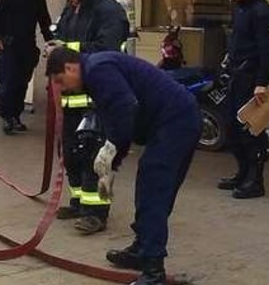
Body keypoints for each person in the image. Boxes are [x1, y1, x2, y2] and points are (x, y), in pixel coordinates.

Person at [45, 47, 199, 285]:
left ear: (70, 67)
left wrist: (112, 150)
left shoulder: (97, 70)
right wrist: (111, 166)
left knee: (153, 192)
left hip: (175, 123)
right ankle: (142, 249)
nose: (62, 87)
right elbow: (116, 116)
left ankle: (153, 270)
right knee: (152, 189)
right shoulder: (96, 72)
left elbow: (125, 108)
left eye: (60, 80)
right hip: (176, 120)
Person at [49, 0, 128, 234]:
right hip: (72, 96)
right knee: (70, 153)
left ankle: (98, 213)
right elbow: (59, 34)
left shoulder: (109, 11)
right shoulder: (72, 8)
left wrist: (66, 49)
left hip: (98, 96)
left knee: (95, 157)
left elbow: (107, 49)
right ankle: (80, 202)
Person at [217, 0, 269, 199]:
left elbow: (268, 51)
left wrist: (262, 82)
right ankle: (242, 173)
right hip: (236, 76)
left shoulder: (261, 11)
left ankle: (255, 180)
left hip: (252, 79)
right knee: (232, 128)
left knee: (251, 130)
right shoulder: (240, 8)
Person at [0, 0, 53, 134]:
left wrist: (51, 42)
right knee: (8, 82)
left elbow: (44, 22)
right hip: (9, 46)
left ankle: (15, 115)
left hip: (27, 47)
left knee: (22, 83)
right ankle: (7, 117)